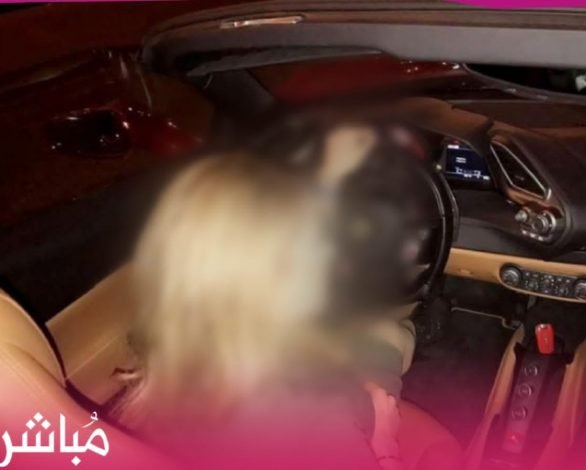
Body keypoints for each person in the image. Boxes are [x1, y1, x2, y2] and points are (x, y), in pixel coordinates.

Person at [113, 127, 412, 469]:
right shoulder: (314, 411)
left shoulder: (163, 364)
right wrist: (385, 441)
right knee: (392, 337)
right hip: (356, 421)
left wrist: (333, 171)